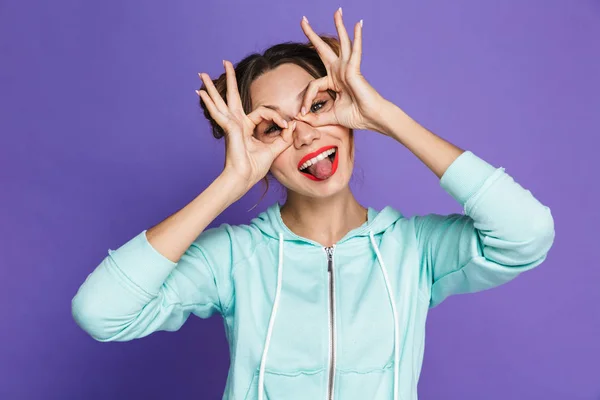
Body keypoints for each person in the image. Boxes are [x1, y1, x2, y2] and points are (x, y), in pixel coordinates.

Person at [72, 9, 555, 400]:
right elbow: (100, 312)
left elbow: (527, 234)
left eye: (317, 105)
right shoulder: (235, 258)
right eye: (271, 128)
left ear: (345, 108)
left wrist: (385, 116)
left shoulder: (415, 249)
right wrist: (231, 181)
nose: (304, 134)